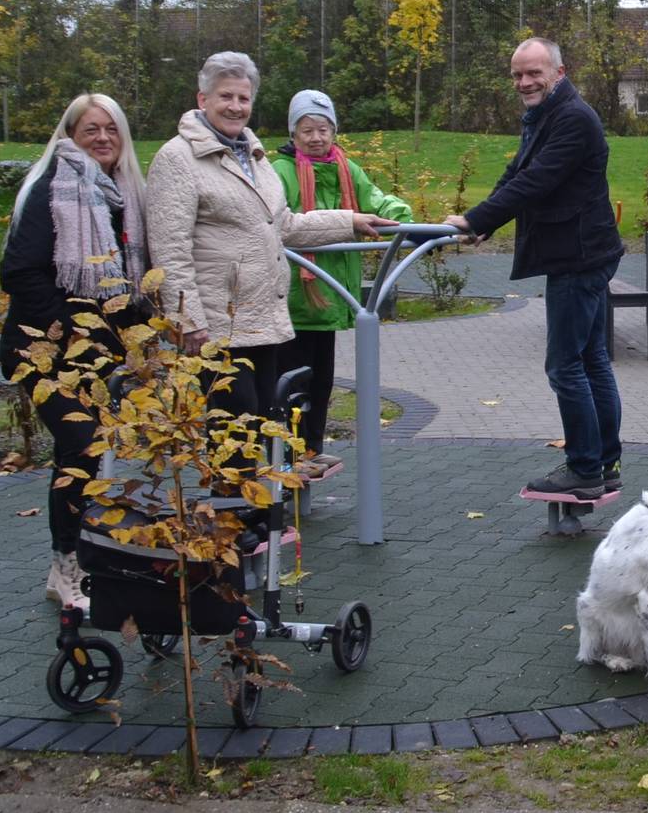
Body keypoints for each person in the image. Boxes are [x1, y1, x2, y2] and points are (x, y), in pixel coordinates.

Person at [146, 53, 389, 433]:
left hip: (263, 319)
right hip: (217, 324)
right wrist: (188, 321)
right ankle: (233, 494)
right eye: (226, 96)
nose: (235, 107)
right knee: (234, 428)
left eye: (244, 99)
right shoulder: (178, 159)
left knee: (264, 420)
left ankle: (265, 491)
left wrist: (350, 221)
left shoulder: (253, 157)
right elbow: (169, 248)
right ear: (202, 99)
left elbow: (284, 224)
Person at [444, 38, 626, 498]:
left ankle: (586, 466)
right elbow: (518, 171)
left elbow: (537, 180)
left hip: (579, 257)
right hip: (584, 252)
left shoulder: (573, 118)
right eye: (518, 75)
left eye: (534, 73)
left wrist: (475, 219)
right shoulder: (548, 113)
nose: (524, 82)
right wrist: (481, 222)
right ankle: (604, 461)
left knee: (566, 366)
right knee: (591, 360)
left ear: (558, 72)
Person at [0, 93, 152, 611]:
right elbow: (18, 273)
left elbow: (131, 284)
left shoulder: (124, 194)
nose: (103, 139)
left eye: (111, 129)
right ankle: (69, 566)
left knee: (90, 454)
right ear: (70, 134)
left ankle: (79, 562)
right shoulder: (51, 189)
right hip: (44, 354)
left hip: (100, 356)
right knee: (82, 448)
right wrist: (69, 330)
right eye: (91, 130)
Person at [268, 89, 412, 476]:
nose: (316, 137)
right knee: (291, 381)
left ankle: (310, 450)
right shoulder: (280, 172)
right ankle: (286, 454)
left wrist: (402, 216)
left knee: (322, 381)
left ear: (334, 132)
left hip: (331, 294)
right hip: (297, 296)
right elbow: (280, 222)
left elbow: (375, 198)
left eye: (323, 129)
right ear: (293, 134)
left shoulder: (347, 168)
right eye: (307, 130)